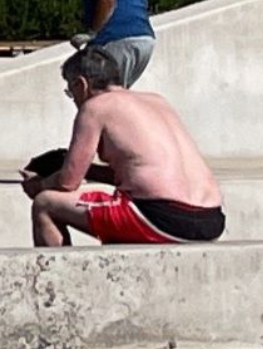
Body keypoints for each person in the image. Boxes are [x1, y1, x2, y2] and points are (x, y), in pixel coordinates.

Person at [20, 46, 224, 248]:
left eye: (70, 92)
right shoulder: (157, 101)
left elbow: (67, 184)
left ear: (81, 84)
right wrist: (91, 171)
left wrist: (39, 185)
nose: (74, 100)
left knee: (44, 204)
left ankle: (59, 279)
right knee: (116, 204)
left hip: (162, 219)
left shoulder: (95, 107)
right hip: (212, 220)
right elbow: (140, 172)